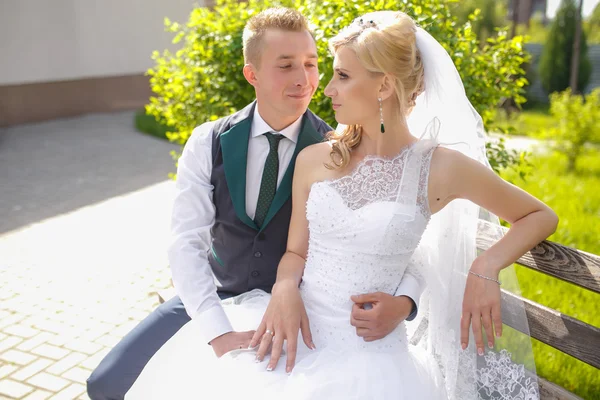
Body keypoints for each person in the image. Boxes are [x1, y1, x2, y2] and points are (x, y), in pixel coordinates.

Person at [125, 10, 558, 400]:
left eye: (337, 75)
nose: (321, 87)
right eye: (292, 66)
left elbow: (536, 216)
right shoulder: (315, 158)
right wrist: (283, 289)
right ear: (252, 73)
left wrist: (482, 269)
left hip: (371, 354)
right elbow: (267, 249)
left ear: (385, 85)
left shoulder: (441, 167)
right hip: (275, 318)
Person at [86, 8, 423, 400]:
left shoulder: (340, 149)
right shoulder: (208, 140)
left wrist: (406, 301)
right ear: (253, 75)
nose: (305, 79)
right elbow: (184, 243)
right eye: (286, 66)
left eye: (311, 64)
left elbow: (397, 232)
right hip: (214, 296)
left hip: (298, 309)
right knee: (106, 384)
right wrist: (217, 331)